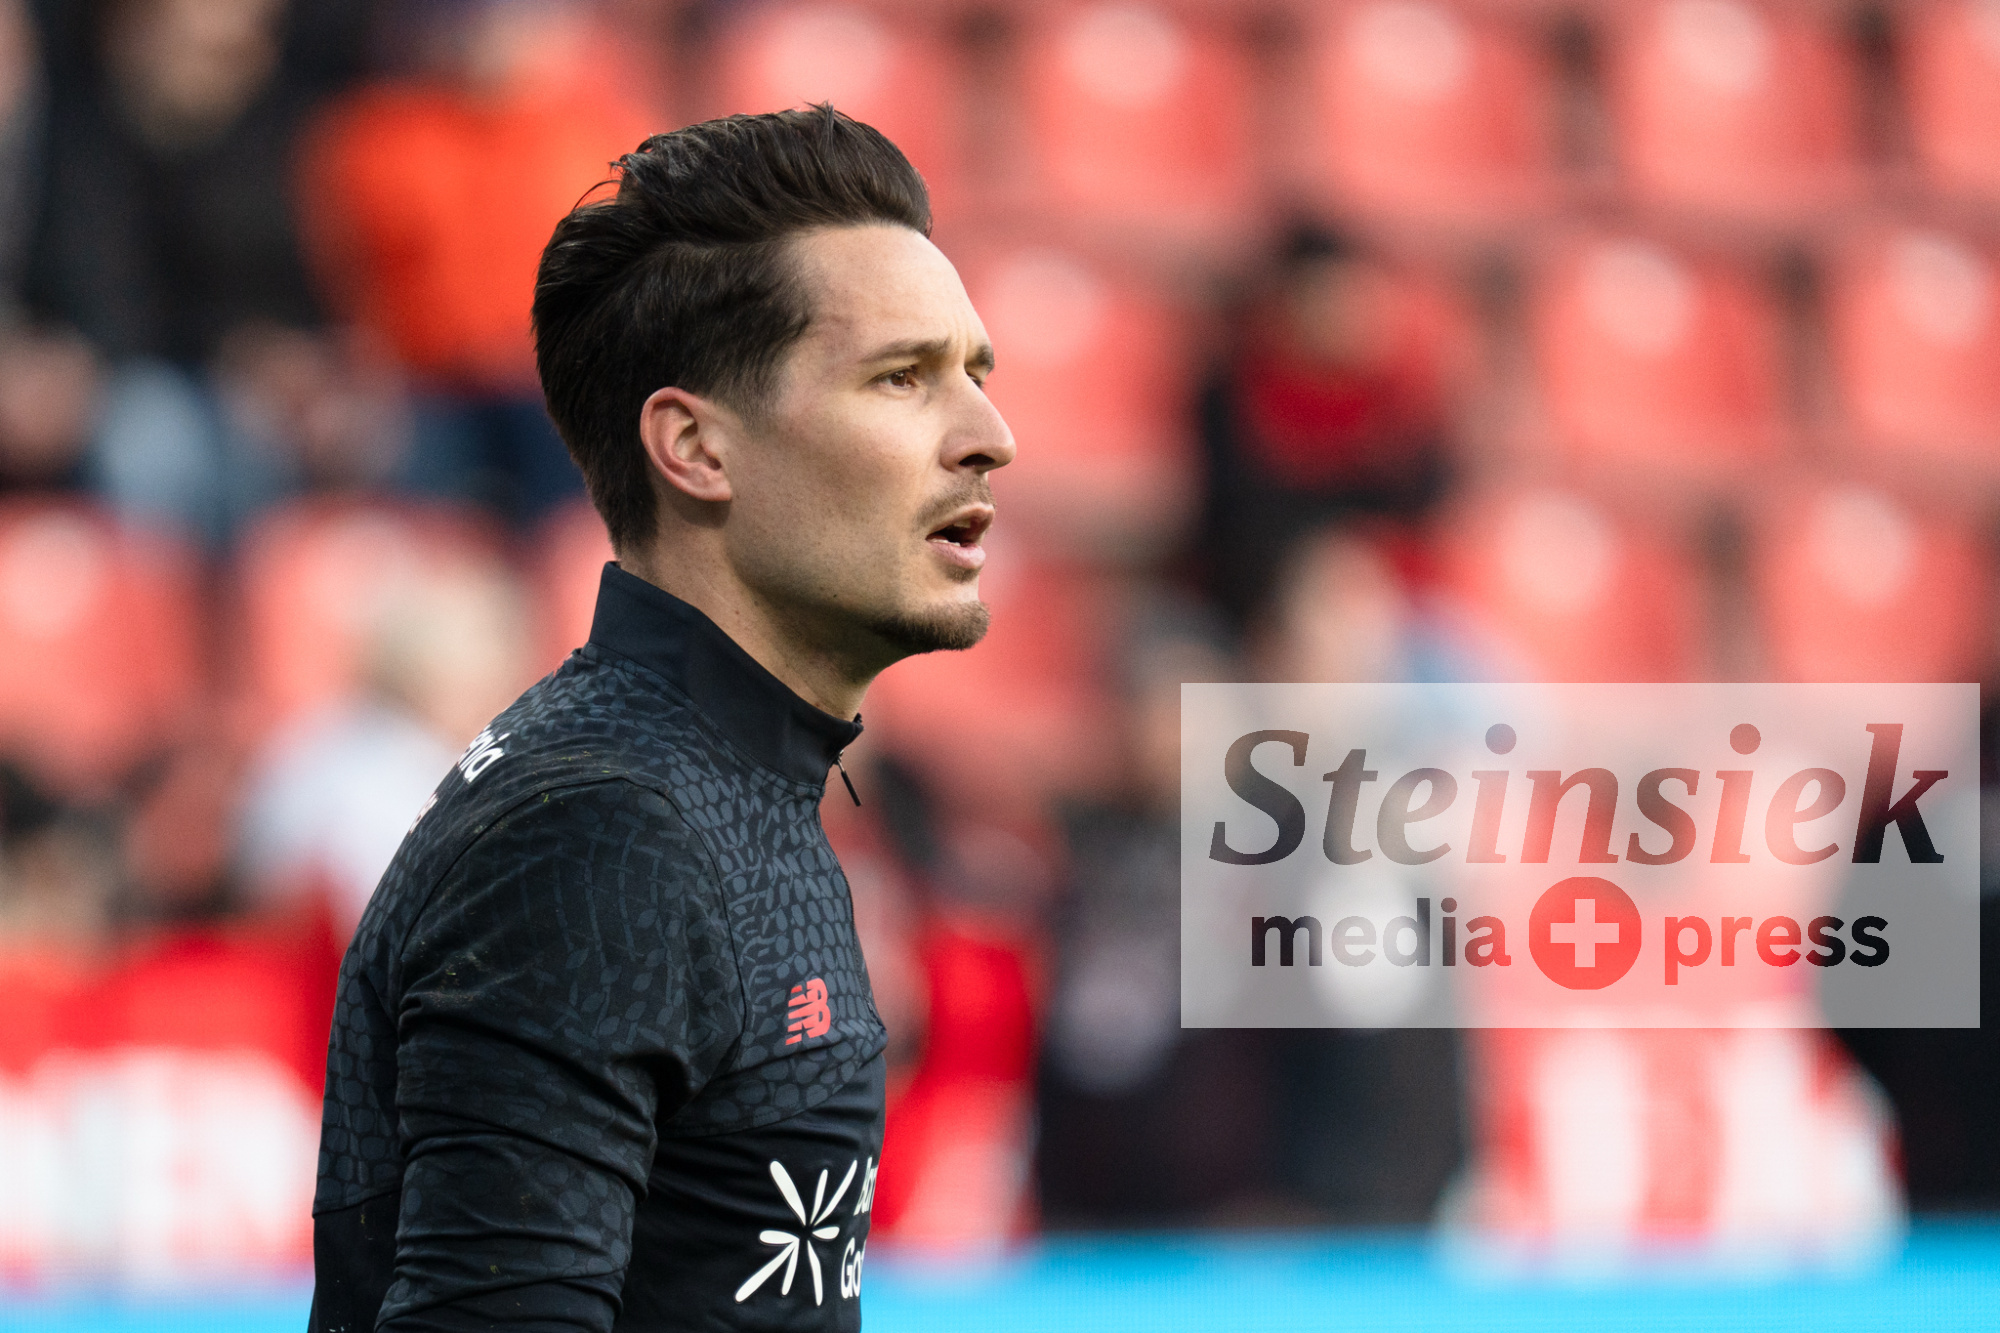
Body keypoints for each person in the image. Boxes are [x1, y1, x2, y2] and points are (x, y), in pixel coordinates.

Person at [308, 106, 1013, 1332]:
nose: (988, 439)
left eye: (974, 376)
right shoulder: (600, 831)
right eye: (901, 378)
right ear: (693, 448)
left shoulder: (714, 784)